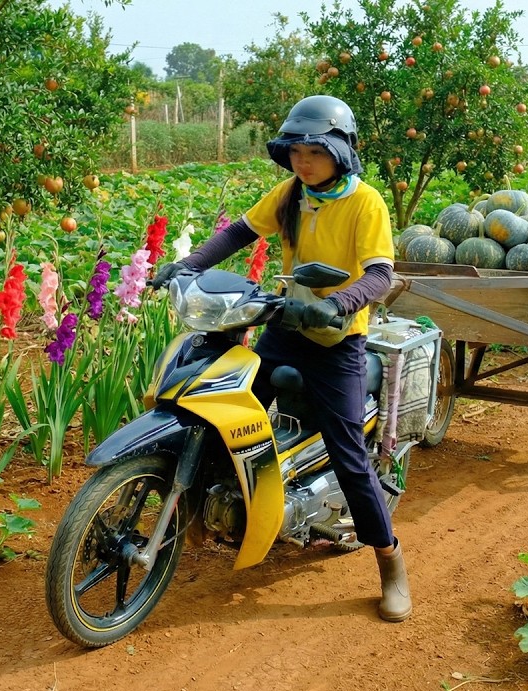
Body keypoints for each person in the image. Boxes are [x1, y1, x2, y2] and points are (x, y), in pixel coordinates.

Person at [151, 95, 411, 623]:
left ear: (341, 151)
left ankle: (390, 562)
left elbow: (380, 274)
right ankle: (215, 506)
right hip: (286, 328)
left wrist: (338, 303)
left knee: (349, 456)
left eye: (313, 151)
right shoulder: (292, 194)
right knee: (222, 405)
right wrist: (186, 264)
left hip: (337, 342)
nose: (302, 161)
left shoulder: (367, 204)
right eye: (294, 151)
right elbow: (238, 232)